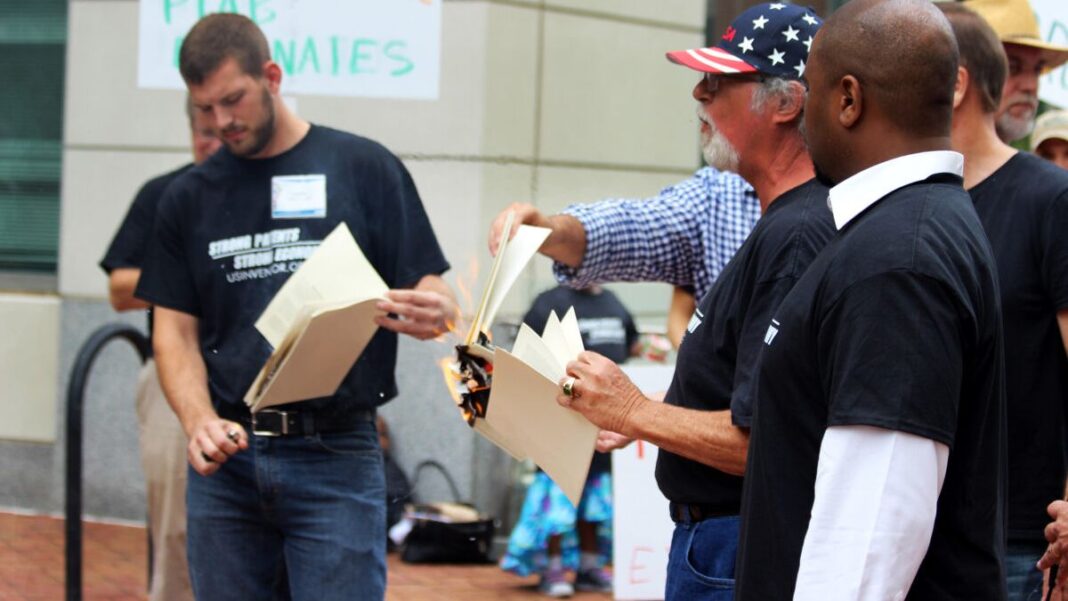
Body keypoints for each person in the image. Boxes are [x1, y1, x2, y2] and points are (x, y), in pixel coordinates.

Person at [502, 5, 831, 598]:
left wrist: (636, 411)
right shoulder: (732, 195)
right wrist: (546, 227)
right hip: (720, 536)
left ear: (786, 103)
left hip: (744, 539)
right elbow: (633, 227)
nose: (699, 92)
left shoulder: (804, 228)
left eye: (721, 80)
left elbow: (771, 436)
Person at [133, 13, 455, 601]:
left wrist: (436, 310)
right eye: (204, 108)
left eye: (233, 100)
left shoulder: (364, 168)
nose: (222, 121)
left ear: (272, 77)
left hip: (335, 451)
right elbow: (173, 333)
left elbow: (433, 285)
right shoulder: (186, 197)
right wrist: (197, 420)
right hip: (226, 461)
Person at [734, 1, 1007, 598]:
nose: (803, 118)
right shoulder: (907, 231)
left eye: (812, 91)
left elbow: (867, 541)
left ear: (849, 100)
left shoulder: (898, 262)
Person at [940, 5, 1068, 599]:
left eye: (1035, 69)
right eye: (1014, 64)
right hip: (923, 530)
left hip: (1025, 545)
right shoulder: (911, 205)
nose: (1026, 85)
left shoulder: (1051, 199)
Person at [98, 98, 220, 601]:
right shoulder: (165, 193)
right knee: (177, 525)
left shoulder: (273, 189)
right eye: (202, 132)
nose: (213, 142)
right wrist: (197, 277)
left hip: (260, 380)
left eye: (222, 131)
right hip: (177, 375)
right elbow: (119, 285)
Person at [500, 285, 639, 597]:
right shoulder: (548, 302)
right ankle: (553, 566)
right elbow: (526, 356)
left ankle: (589, 567)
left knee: (594, 500)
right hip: (560, 418)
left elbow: (632, 343)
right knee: (558, 497)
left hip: (602, 423)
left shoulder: (613, 302)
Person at [963, 0, 1068, 143]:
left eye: (1037, 70)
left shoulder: (1031, 166)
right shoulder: (928, 160)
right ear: (960, 79)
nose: (1031, 85)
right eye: (1011, 68)